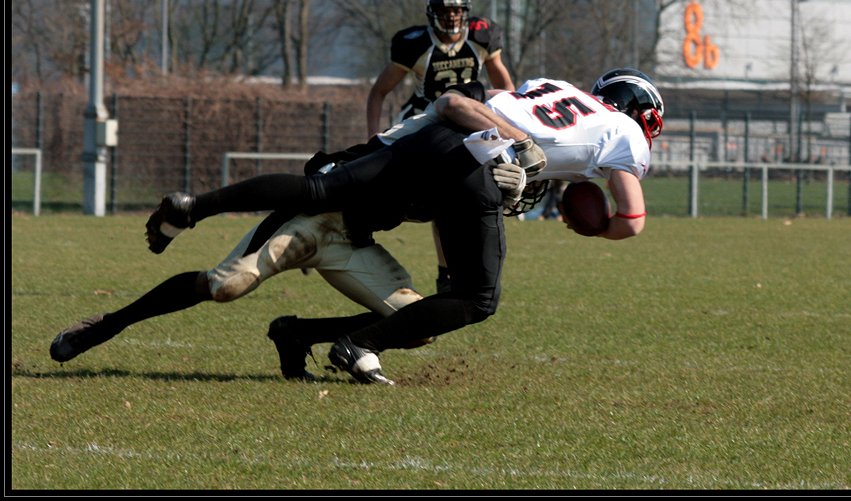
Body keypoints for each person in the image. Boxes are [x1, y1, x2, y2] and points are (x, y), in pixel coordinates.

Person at [140, 68, 664, 385]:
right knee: (477, 298)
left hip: (438, 133)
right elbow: (633, 221)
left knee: (322, 188)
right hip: (475, 162)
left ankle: (195, 206)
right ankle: (357, 344)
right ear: (643, 115)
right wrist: (596, 228)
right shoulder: (625, 133)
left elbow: (486, 110)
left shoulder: (555, 88)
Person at [49, 159, 532, 386]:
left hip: (352, 244)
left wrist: (448, 275)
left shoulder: (463, 175)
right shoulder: (414, 145)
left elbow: (449, 218)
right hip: (308, 223)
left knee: (419, 323)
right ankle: (107, 325)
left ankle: (296, 334)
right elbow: (317, 175)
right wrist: (202, 208)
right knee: (224, 286)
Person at [366, 0, 515, 293]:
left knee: (463, 196)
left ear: (466, 12)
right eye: (446, 11)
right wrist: (373, 137)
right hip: (425, 120)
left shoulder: (481, 36)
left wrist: (508, 127)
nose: (452, 17)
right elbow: (379, 92)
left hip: (468, 120)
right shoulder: (416, 43)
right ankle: (351, 224)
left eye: (457, 11)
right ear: (432, 13)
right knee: (386, 186)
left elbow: (508, 91)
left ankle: (449, 275)